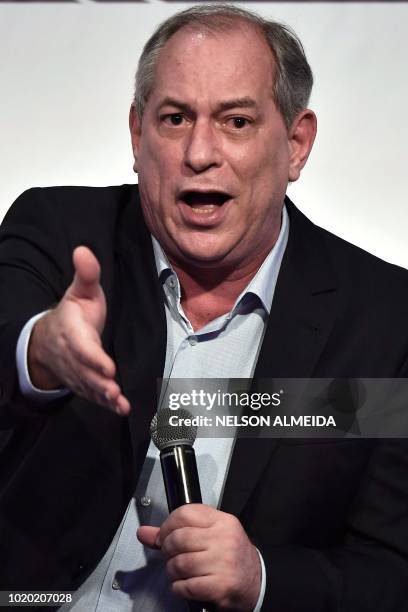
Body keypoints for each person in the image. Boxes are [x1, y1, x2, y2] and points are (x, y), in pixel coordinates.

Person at [1, 4, 408, 611]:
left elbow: (389, 570)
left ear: (296, 145)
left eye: (236, 121)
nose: (199, 152)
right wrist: (41, 350)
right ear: (138, 136)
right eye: (174, 118)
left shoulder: (384, 321)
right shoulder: (60, 231)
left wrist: (263, 580)